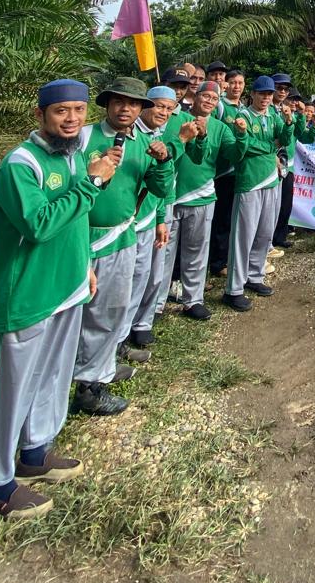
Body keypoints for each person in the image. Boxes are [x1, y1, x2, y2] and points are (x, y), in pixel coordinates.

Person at [0, 79, 120, 519]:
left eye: (77, 110)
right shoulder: (21, 165)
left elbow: (77, 222)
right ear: (40, 116)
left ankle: (34, 455)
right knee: (7, 392)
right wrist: (92, 182)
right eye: (60, 112)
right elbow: (38, 224)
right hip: (27, 295)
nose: (71, 119)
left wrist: (85, 264)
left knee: (52, 377)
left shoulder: (73, 157)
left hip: (67, 287)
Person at [72, 77, 173, 416]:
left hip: (122, 236)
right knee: (78, 311)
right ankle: (75, 377)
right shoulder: (83, 136)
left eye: (133, 103)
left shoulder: (147, 141)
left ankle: (94, 380)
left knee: (112, 310)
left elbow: (159, 188)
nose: (126, 108)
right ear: (107, 104)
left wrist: (162, 161)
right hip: (81, 237)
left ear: (141, 108)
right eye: (119, 101)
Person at [123, 86, 203, 357]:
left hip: (152, 214)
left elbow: (161, 184)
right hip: (126, 222)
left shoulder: (160, 133)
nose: (164, 112)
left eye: (169, 108)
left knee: (152, 274)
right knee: (127, 281)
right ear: (144, 105)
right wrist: (179, 141)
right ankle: (119, 338)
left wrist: (159, 217)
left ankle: (139, 324)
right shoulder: (129, 135)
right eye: (159, 106)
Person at [159, 80, 241, 322]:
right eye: (205, 96)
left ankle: (193, 300)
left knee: (196, 252)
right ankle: (155, 304)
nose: (209, 101)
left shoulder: (220, 127)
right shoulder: (174, 120)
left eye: (214, 99)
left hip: (202, 195)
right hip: (170, 196)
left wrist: (243, 136)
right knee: (163, 255)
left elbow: (234, 155)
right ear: (195, 97)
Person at [222, 77, 293, 311]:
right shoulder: (242, 116)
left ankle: (255, 276)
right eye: (262, 94)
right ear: (252, 94)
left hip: (272, 180)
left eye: (269, 94)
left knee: (264, 233)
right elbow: (244, 147)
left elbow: (284, 139)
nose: (266, 98)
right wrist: (269, 147)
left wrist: (289, 123)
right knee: (243, 236)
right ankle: (233, 289)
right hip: (250, 182)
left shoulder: (273, 115)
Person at [209, 68, 246, 275]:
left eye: (240, 83)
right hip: (221, 172)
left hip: (238, 171)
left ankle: (226, 257)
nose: (236, 86)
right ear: (226, 84)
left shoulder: (242, 108)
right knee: (221, 219)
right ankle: (217, 263)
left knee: (232, 217)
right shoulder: (220, 106)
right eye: (233, 82)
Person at [274, 89, 315, 247]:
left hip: (289, 167)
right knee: (274, 206)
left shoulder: (297, 116)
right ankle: (269, 240)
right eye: (291, 99)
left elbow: (305, 137)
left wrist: (312, 123)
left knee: (286, 204)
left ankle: (280, 236)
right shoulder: (277, 115)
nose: (293, 102)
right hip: (275, 164)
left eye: (297, 100)